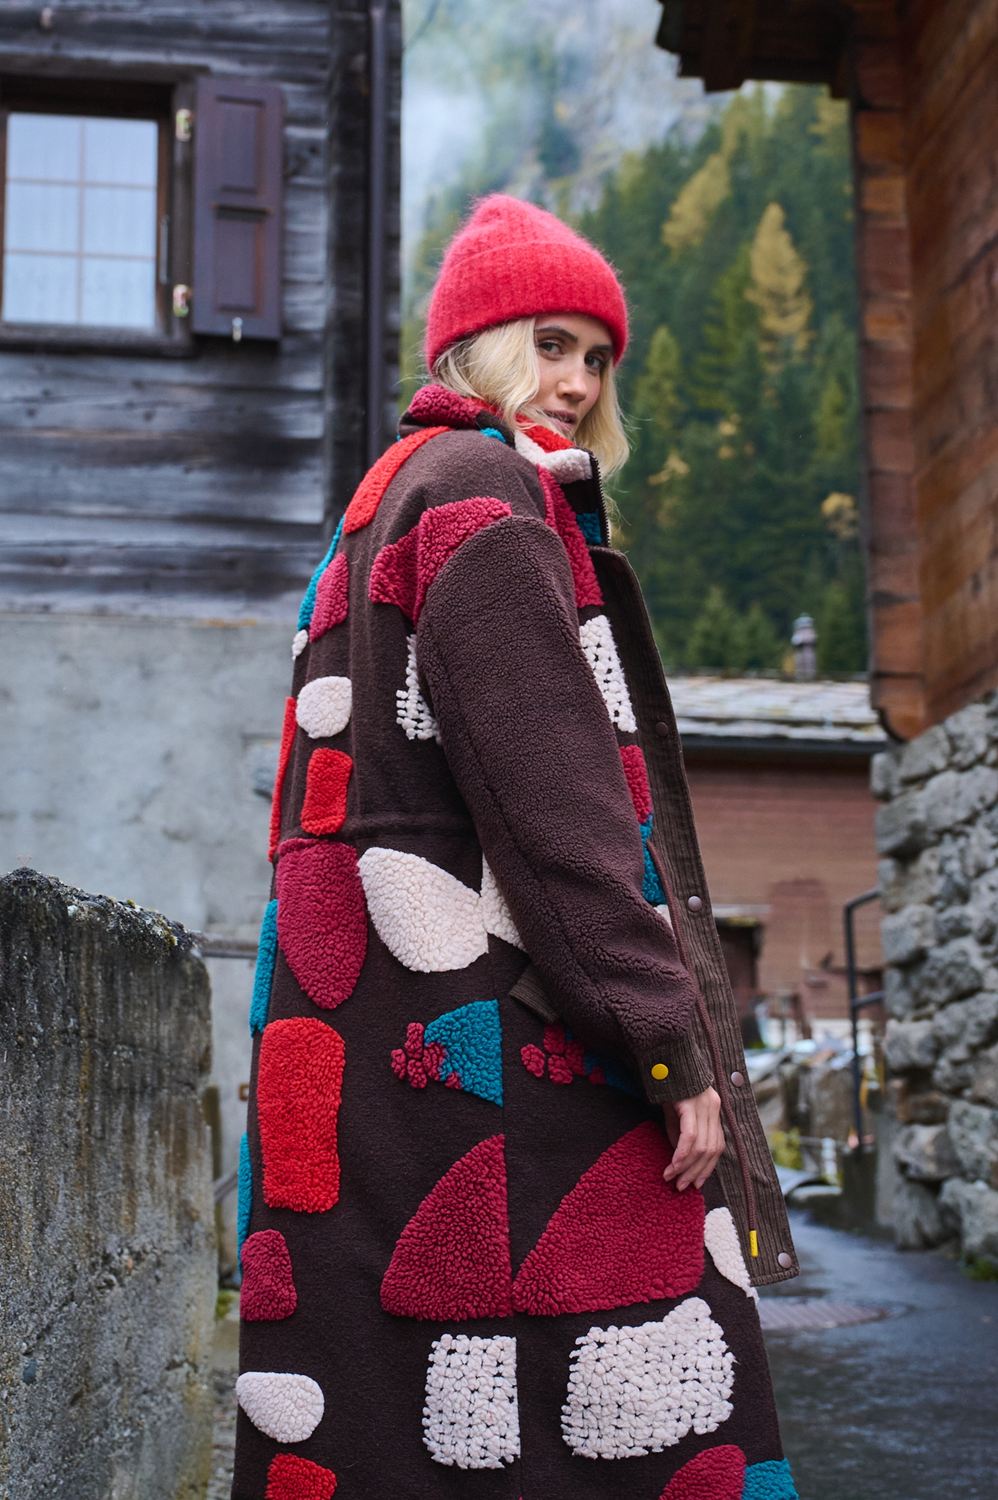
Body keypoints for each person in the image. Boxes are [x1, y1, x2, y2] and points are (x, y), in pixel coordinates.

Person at [231, 193, 800, 1500]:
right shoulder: (484, 492)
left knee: (394, 1417)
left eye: (597, 358)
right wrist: (666, 1040)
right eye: (548, 345)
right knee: (628, 1402)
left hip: (368, 1022)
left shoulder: (384, 498)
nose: (579, 383)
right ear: (472, 347)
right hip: (499, 1030)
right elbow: (554, 809)